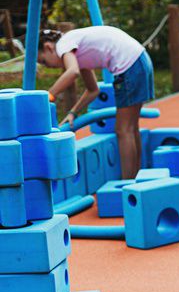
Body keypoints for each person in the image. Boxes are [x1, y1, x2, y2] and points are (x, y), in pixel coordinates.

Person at [38, 26, 153, 179]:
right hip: (139, 60)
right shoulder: (75, 50)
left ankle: (128, 183)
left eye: (44, 61)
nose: (49, 66)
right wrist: (73, 112)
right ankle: (135, 179)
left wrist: (47, 96)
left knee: (123, 130)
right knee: (131, 129)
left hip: (130, 65)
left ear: (48, 47)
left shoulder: (63, 45)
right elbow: (93, 90)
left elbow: (72, 72)